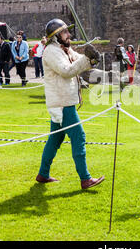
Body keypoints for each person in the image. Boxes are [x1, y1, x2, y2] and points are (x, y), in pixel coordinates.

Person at [35, 18, 105, 189]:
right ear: (56, 35)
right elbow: (67, 71)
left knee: (55, 139)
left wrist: (93, 60)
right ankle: (85, 178)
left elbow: (80, 61)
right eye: (65, 32)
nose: (69, 35)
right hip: (62, 103)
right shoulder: (51, 52)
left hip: (63, 102)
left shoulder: (63, 49)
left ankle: (43, 174)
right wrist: (87, 60)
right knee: (78, 136)